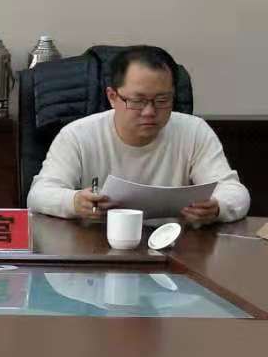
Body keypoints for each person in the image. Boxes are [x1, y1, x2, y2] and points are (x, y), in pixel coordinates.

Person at [26, 45, 250, 224]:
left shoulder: (194, 131)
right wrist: (74, 202)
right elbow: (39, 194)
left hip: (175, 247)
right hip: (97, 247)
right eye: (137, 100)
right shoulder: (78, 135)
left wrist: (217, 207)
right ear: (112, 97)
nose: (149, 111)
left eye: (162, 100)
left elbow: (235, 192)